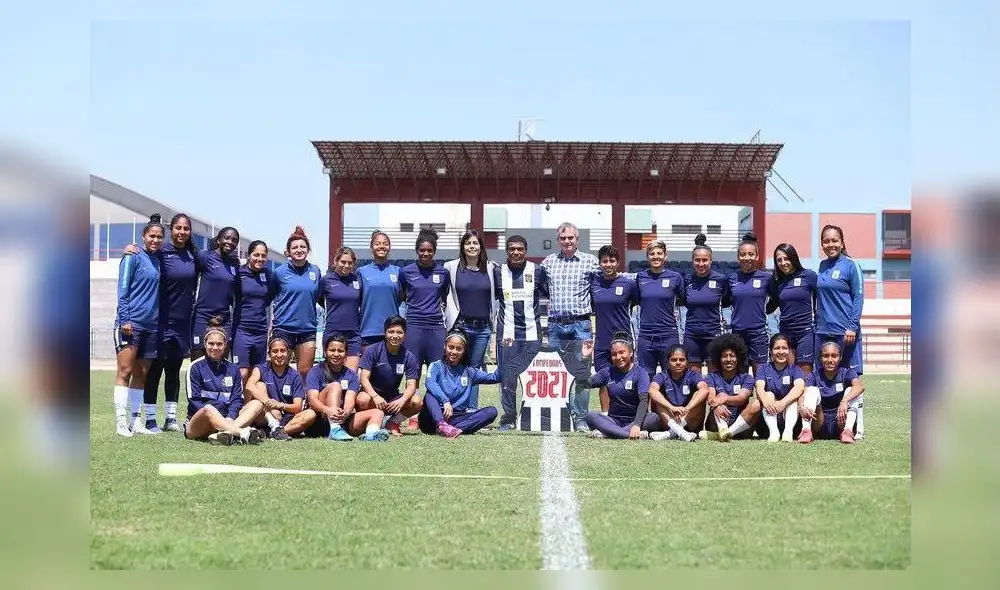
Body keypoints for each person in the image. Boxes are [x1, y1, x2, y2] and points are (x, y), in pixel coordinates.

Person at [540, 222, 601, 432]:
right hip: (556, 325)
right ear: (558, 240)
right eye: (563, 238)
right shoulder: (548, 263)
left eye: (571, 238)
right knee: (556, 372)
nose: (567, 241)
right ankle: (560, 413)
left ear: (577, 239)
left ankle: (580, 417)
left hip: (581, 324)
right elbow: (542, 287)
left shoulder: (590, 262)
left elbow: (606, 281)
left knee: (582, 372)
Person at [142, 213, 197, 433]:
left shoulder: (194, 255)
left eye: (186, 229)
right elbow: (144, 257)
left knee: (174, 371)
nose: (182, 232)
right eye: (178, 228)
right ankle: (150, 419)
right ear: (171, 230)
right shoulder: (161, 252)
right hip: (160, 321)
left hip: (183, 324)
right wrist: (131, 249)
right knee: (155, 370)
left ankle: (171, 418)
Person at [112, 215, 164, 437]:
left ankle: (136, 421)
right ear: (143, 237)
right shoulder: (132, 256)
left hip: (151, 326)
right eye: (152, 236)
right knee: (125, 370)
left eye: (160, 237)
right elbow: (122, 291)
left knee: (142, 373)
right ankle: (121, 422)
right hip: (130, 324)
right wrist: (125, 319)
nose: (155, 240)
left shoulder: (158, 260)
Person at [815, 224, 866, 438]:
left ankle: (858, 429)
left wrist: (852, 325)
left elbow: (858, 296)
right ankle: (825, 422)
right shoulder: (821, 266)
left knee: (851, 378)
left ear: (842, 242)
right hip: (823, 332)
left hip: (846, 333)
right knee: (824, 377)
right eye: (826, 241)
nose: (830, 244)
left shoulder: (851, 265)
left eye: (834, 240)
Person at [493, 235, 549, 430]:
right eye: (511, 249)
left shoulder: (538, 270)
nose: (516, 252)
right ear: (506, 251)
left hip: (532, 334)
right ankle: (508, 418)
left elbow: (550, 295)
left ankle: (535, 416)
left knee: (533, 376)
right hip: (507, 335)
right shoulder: (498, 272)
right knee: (508, 377)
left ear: (525, 250)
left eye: (519, 249)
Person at [183, 317, 267, 445]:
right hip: (199, 423)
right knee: (208, 409)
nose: (215, 347)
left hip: (227, 420)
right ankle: (242, 433)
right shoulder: (195, 367)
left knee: (256, 404)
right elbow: (194, 401)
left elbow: (237, 399)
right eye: (211, 343)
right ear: (204, 344)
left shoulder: (233, 369)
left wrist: (229, 418)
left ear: (225, 345)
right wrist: (218, 415)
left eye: (219, 344)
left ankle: (224, 434)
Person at [443, 229, 498, 410]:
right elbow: (442, 295)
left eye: (475, 243)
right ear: (463, 246)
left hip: (482, 328)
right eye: (468, 243)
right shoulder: (450, 267)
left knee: (475, 370)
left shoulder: (491, 268)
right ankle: (453, 407)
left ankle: (472, 409)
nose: (472, 246)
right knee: (455, 367)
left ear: (481, 246)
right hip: (460, 326)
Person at [302, 334, 390, 441]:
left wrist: (346, 413)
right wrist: (329, 411)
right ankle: (334, 429)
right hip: (319, 421)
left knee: (378, 412)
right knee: (335, 386)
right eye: (332, 350)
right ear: (325, 352)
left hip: (343, 421)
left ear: (346, 354)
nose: (336, 354)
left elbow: (350, 401)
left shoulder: (351, 375)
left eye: (340, 351)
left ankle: (372, 435)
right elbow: (312, 401)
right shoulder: (315, 371)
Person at [420, 330, 502, 438]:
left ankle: (454, 429)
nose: (454, 352)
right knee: (429, 394)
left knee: (491, 411)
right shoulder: (436, 366)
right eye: (451, 347)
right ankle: (442, 425)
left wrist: (505, 352)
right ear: (445, 347)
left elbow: (495, 377)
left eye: (459, 349)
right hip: (432, 419)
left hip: (456, 417)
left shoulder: (470, 372)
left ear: (464, 350)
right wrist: (445, 401)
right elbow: (430, 383)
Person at [582, 332, 660, 439]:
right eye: (614, 354)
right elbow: (584, 383)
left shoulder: (641, 373)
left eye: (622, 352)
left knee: (653, 418)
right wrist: (585, 358)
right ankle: (625, 434)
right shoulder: (607, 373)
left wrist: (637, 425)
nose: (618, 357)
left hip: (636, 420)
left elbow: (644, 400)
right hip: (613, 421)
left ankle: (610, 433)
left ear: (631, 353)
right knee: (591, 417)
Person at [356, 316, 423, 436]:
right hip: (372, 397)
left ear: (404, 335)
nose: (395, 335)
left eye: (399, 332)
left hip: (393, 399)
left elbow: (412, 385)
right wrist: (375, 396)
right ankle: (371, 421)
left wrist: (402, 400)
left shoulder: (409, 357)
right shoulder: (372, 350)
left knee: (417, 401)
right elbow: (364, 378)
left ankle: (392, 422)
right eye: (391, 331)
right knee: (362, 399)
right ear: (385, 332)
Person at [271, 226, 323, 380]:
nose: (299, 250)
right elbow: (269, 296)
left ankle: (303, 402)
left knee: (305, 371)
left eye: (302, 247)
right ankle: (280, 402)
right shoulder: (279, 273)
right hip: (283, 328)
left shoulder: (316, 271)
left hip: (307, 329)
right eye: (295, 247)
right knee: (280, 370)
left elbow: (320, 297)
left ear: (308, 250)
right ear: (288, 251)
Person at [399, 229, 451, 375]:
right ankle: (412, 398)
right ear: (417, 250)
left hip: (436, 327)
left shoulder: (443, 273)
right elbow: (402, 295)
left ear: (435, 251)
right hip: (414, 326)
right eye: (422, 250)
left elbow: (444, 296)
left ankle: (434, 398)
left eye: (430, 250)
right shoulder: (406, 272)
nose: (426, 254)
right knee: (412, 372)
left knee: (436, 372)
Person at [798, 340, 865, 444]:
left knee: (851, 390)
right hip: (819, 422)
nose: (830, 359)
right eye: (826, 356)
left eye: (834, 356)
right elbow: (803, 392)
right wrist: (801, 406)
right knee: (812, 390)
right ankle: (806, 431)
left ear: (840, 358)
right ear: (820, 358)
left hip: (841, 422)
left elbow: (859, 386)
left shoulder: (846, 372)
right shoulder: (814, 375)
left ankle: (847, 431)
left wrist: (844, 401)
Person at [244, 336, 310, 440]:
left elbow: (297, 407)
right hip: (265, 415)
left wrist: (280, 405)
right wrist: (270, 404)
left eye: (282, 351)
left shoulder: (295, 375)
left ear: (288, 353)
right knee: (259, 385)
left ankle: (273, 432)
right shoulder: (261, 368)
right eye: (275, 351)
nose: (279, 355)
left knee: (310, 414)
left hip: (286, 418)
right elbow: (249, 386)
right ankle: (274, 428)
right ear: (269, 354)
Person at [634, 240, 684, 376]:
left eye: (659, 253)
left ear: (665, 256)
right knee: (645, 378)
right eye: (652, 254)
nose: (656, 256)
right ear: (647, 257)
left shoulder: (676, 277)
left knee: (671, 377)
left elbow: (683, 300)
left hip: (668, 335)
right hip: (646, 336)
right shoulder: (640, 277)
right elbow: (637, 300)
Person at [683, 234, 731, 373]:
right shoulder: (687, 280)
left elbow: (726, 301)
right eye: (697, 260)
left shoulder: (721, 280)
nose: (701, 263)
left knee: (714, 379)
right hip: (692, 336)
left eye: (705, 260)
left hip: (713, 334)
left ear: (711, 260)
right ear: (692, 261)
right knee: (693, 379)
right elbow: (685, 302)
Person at [767, 243, 818, 374]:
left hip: (805, 332)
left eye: (787, 258)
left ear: (794, 258)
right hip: (786, 333)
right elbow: (773, 304)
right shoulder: (775, 281)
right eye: (779, 260)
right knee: (788, 374)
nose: (783, 263)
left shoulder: (809, 276)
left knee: (805, 375)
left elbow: (821, 299)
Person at [191, 226, 241, 361]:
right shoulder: (205, 256)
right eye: (227, 238)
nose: (230, 242)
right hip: (202, 317)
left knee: (221, 363)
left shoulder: (235, 264)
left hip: (223, 318)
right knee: (197, 363)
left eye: (234, 240)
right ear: (219, 240)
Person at [702, 333, 760, 441]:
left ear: (738, 358)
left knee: (756, 404)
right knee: (719, 397)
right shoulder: (711, 377)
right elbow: (711, 398)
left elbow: (742, 398)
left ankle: (727, 433)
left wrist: (725, 398)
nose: (728, 359)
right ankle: (723, 431)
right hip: (716, 422)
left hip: (741, 425)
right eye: (724, 356)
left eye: (732, 356)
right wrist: (719, 402)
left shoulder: (746, 378)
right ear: (718, 359)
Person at [728, 232, 772, 373]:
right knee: (740, 376)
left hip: (758, 333)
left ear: (757, 256)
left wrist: (767, 310)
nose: (747, 258)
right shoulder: (732, 278)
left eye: (750, 254)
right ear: (738, 257)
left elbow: (777, 298)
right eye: (743, 254)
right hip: (737, 333)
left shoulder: (767, 278)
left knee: (760, 376)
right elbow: (724, 299)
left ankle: (760, 396)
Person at [589, 245, 638, 373]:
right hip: (601, 343)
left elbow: (636, 303)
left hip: (623, 340)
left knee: (625, 383)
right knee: (604, 383)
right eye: (605, 261)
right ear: (600, 263)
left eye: (612, 261)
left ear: (618, 263)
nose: (608, 264)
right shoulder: (594, 284)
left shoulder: (629, 284)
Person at [647, 344, 709, 442]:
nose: (678, 363)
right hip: (669, 419)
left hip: (690, 421)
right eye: (674, 360)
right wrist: (672, 408)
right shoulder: (661, 376)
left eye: (682, 360)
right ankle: (681, 433)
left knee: (699, 395)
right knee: (658, 399)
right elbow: (652, 390)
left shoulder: (693, 375)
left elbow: (704, 389)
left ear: (687, 362)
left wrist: (687, 408)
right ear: (667, 362)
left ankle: (671, 433)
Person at [232, 240, 274, 384]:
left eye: (263, 255)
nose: (260, 259)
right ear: (249, 255)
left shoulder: (270, 276)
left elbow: (270, 297)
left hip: (260, 331)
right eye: (256, 254)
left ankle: (251, 405)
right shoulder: (238, 273)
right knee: (242, 373)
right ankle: (237, 405)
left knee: (256, 375)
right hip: (241, 330)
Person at [753, 334, 807, 441]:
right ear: (770, 351)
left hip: (790, 419)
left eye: (784, 348)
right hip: (766, 422)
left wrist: (783, 403)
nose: (781, 352)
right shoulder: (763, 368)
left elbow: (799, 387)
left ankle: (788, 433)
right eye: (777, 348)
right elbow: (759, 387)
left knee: (793, 400)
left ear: (789, 351)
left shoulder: (795, 369)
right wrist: (766, 401)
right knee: (768, 394)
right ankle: (774, 433)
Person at [319, 246, 363, 370]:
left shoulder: (357, 280)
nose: (346, 265)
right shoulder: (326, 280)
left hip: (353, 334)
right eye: (343, 262)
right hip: (333, 332)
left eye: (350, 263)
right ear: (336, 261)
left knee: (351, 375)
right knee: (332, 376)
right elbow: (318, 299)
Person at [357, 230, 402, 348]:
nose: (381, 246)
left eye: (385, 243)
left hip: (393, 331)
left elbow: (401, 297)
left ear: (389, 246)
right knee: (367, 367)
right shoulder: (362, 272)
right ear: (371, 247)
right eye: (377, 243)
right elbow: (357, 300)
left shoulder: (397, 271)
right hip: (368, 331)